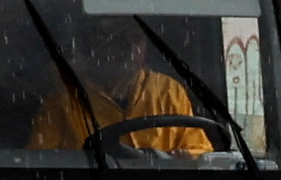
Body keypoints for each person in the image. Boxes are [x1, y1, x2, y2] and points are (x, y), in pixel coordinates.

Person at [31, 18, 211, 157]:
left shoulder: (169, 91)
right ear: (97, 45)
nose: (130, 48)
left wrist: (182, 161)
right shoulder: (64, 98)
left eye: (136, 38)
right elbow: (40, 162)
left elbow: (202, 155)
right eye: (119, 39)